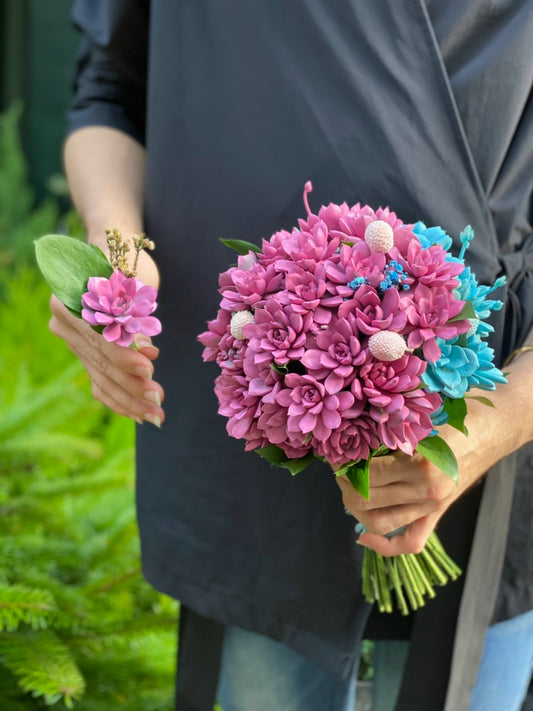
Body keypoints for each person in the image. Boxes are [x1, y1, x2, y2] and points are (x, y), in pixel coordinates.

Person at [49, 1, 533, 709]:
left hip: (496, 427)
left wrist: (500, 416)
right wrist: (115, 258)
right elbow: (113, 89)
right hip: (254, 428)